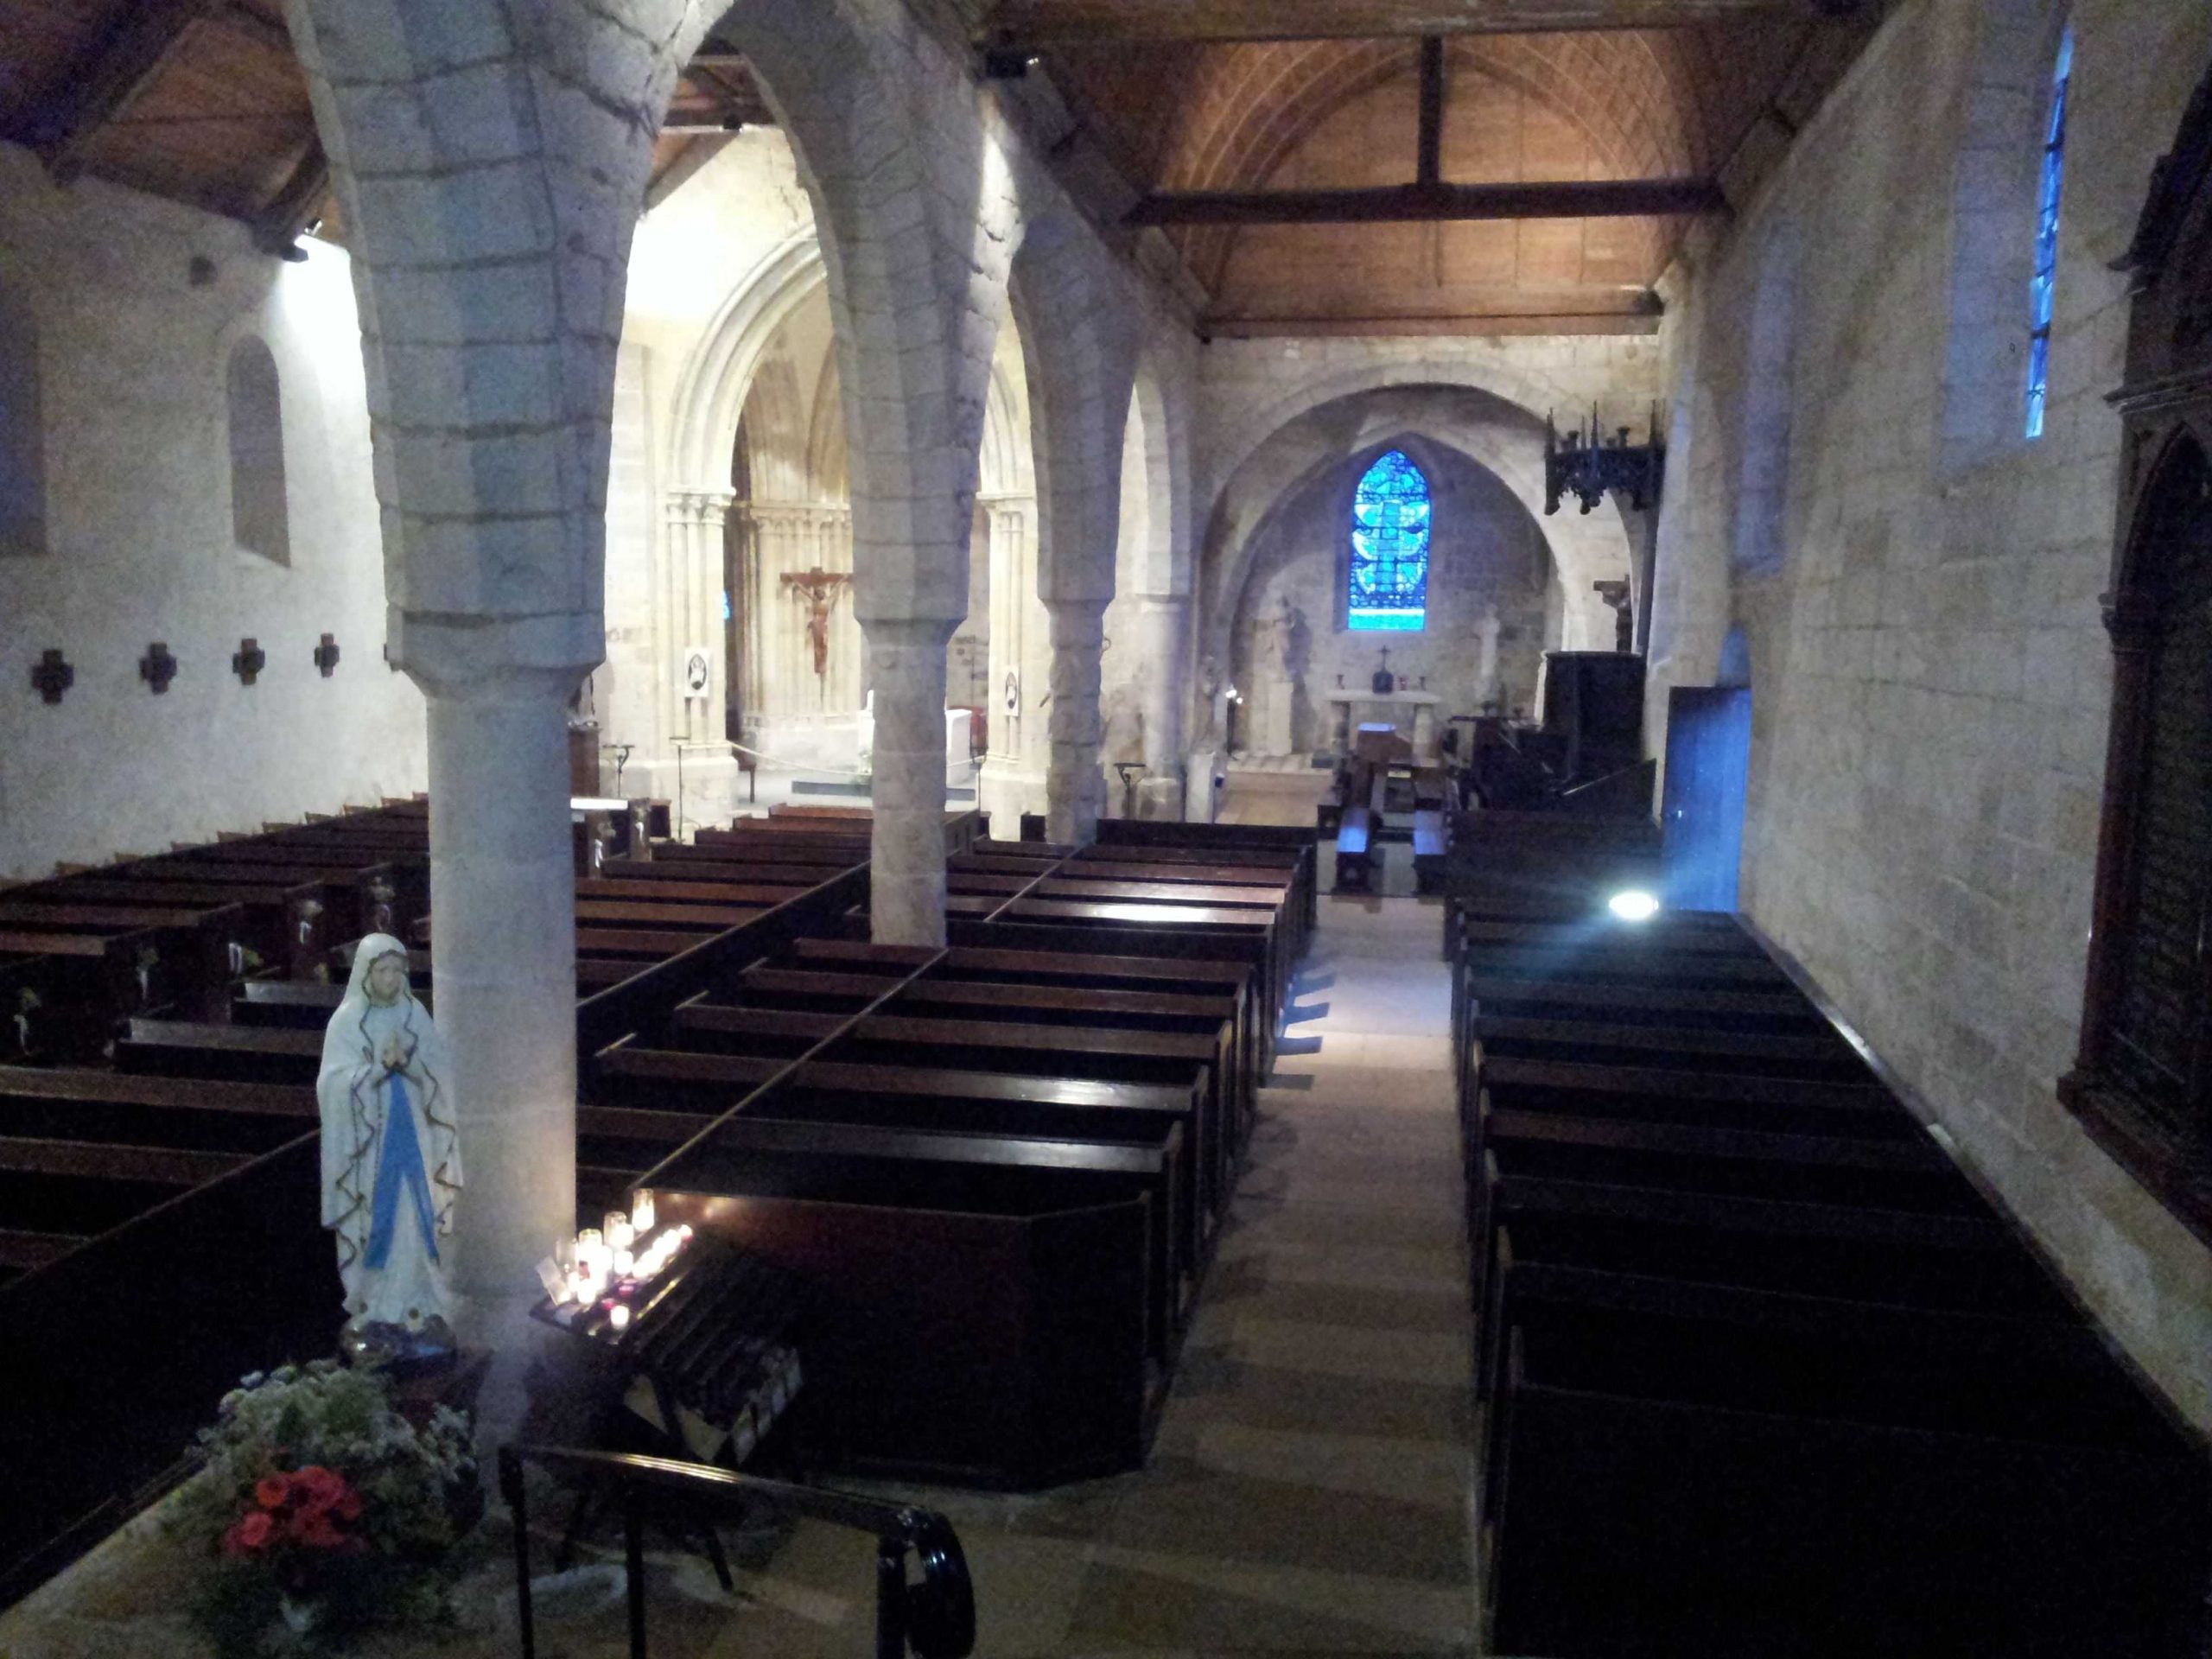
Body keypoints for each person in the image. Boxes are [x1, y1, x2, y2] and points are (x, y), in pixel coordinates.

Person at [318, 935, 462, 1354]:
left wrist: (410, 1063)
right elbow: (331, 1084)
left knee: (415, 1215)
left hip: (414, 1135)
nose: (391, 978)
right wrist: (378, 1070)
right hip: (371, 1146)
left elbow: (439, 1071)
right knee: (379, 1217)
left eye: (398, 970)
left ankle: (418, 1302)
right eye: (383, 970)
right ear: (366, 974)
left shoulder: (414, 1013)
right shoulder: (347, 1022)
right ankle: (377, 1305)